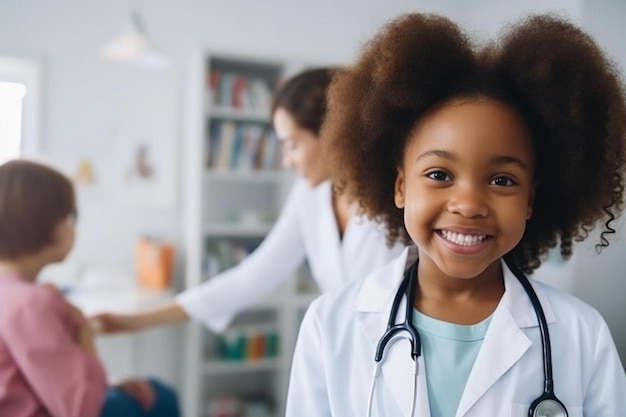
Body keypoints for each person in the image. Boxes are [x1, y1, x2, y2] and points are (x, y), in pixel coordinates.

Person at [286, 13, 626, 417]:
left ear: (531, 200)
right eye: (439, 174)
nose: (468, 204)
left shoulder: (582, 335)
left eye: (502, 180)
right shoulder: (330, 325)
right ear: (399, 187)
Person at [92, 68, 405, 335]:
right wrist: (139, 321)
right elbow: (253, 276)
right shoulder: (309, 195)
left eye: (292, 145)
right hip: (349, 351)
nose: (286, 161)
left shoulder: (397, 194)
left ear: (332, 134)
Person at [0, 159, 180, 417]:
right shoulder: (32, 303)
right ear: (47, 225)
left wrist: (106, 383)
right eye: (70, 216)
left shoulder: (12, 295)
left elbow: (28, 377)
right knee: (161, 398)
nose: (74, 227)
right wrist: (85, 331)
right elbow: (82, 410)